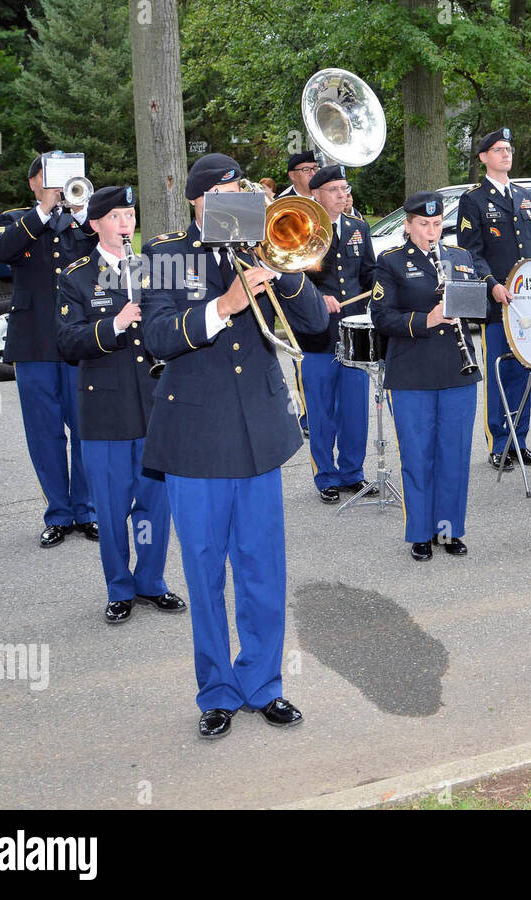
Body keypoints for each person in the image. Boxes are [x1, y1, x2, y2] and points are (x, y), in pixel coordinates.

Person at [141, 153, 329, 740]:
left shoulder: (261, 246)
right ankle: (217, 691)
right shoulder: (167, 257)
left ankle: (263, 684)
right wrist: (224, 304)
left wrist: (281, 263)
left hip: (256, 438)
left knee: (262, 571)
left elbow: (316, 323)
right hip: (195, 440)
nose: (238, 203)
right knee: (204, 573)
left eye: (242, 193)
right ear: (200, 201)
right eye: (225, 194)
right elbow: (157, 336)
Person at [55, 186, 185, 624]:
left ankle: (151, 581)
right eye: (115, 216)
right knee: (111, 509)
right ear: (95, 224)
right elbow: (68, 341)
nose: (125, 223)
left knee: (154, 503)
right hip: (105, 412)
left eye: (129, 214)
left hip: (153, 405)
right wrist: (114, 324)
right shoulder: (76, 276)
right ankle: (119, 587)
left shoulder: (155, 268)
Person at [0, 154, 99, 548]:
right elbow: (4, 251)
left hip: (77, 337)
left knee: (85, 427)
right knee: (44, 432)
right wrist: (43, 210)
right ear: (33, 182)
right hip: (33, 339)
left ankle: (85, 509)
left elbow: (102, 249)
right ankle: (58, 512)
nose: (58, 183)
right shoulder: (16, 218)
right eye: (48, 177)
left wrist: (79, 207)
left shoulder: (83, 215)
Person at [370, 192, 481, 561]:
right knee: (418, 457)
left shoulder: (460, 258)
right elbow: (382, 317)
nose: (431, 232)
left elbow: (477, 310)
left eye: (436, 225)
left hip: (457, 369)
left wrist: (469, 302)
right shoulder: (391, 262)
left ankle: (448, 531)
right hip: (412, 373)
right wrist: (427, 319)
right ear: (407, 224)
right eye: (423, 224)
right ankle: (420, 533)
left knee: (454, 455)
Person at [457, 127, 531, 472]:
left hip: (528, 301)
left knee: (526, 369)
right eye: (498, 149)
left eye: (509, 149)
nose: (506, 154)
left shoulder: (525, 195)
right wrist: (490, 282)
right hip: (497, 302)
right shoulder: (474, 199)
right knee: (499, 372)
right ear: (483, 157)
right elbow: (469, 251)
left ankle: (519, 441)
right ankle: (498, 444)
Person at [300, 165, 375, 503]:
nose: (342, 195)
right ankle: (325, 476)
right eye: (334, 189)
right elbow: (291, 279)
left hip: (355, 331)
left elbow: (369, 272)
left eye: (344, 188)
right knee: (321, 409)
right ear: (315, 194)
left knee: (355, 408)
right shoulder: (302, 230)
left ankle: (352, 472)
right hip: (317, 334)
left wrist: (384, 285)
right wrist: (317, 298)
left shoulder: (359, 227)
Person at [280, 150, 321, 438]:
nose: (312, 173)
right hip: (296, 284)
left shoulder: (326, 198)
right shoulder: (281, 204)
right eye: (306, 169)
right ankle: (306, 413)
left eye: (315, 168)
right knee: (302, 355)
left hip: (324, 282)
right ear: (293, 174)